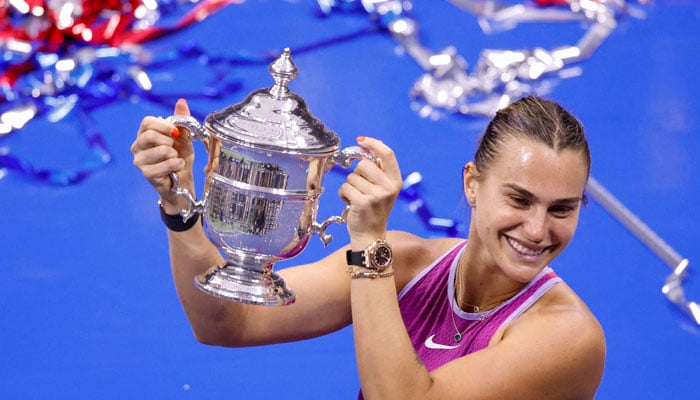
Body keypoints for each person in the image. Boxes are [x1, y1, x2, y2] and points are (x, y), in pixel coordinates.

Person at [131, 95, 606, 399]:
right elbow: (227, 322)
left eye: (562, 209)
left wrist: (368, 244)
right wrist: (178, 203)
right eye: (519, 200)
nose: (538, 229)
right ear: (473, 183)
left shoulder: (569, 338)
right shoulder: (403, 264)